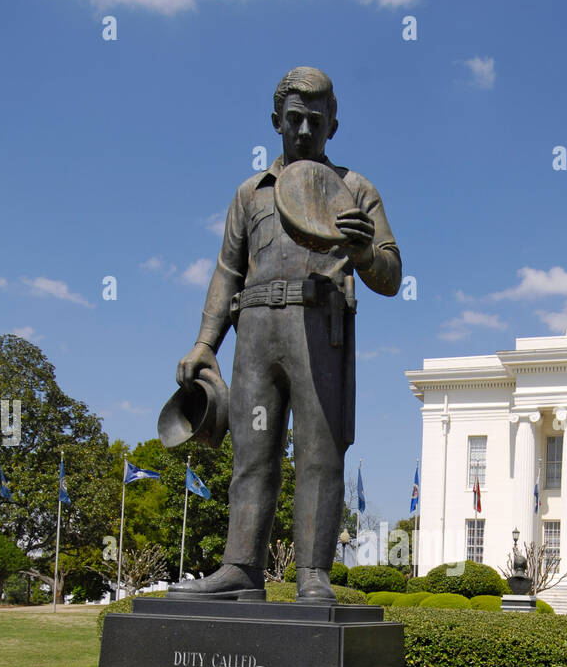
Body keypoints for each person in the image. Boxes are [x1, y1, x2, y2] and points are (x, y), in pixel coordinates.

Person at [168, 67, 401, 603]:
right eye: (293, 119)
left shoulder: (355, 189)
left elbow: (391, 273)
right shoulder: (251, 194)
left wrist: (364, 252)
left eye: (315, 121)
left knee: (319, 453)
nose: (302, 130)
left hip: (320, 330)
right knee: (252, 453)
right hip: (255, 331)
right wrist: (205, 342)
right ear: (275, 121)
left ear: (333, 127)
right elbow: (227, 272)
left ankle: (313, 574)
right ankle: (242, 568)